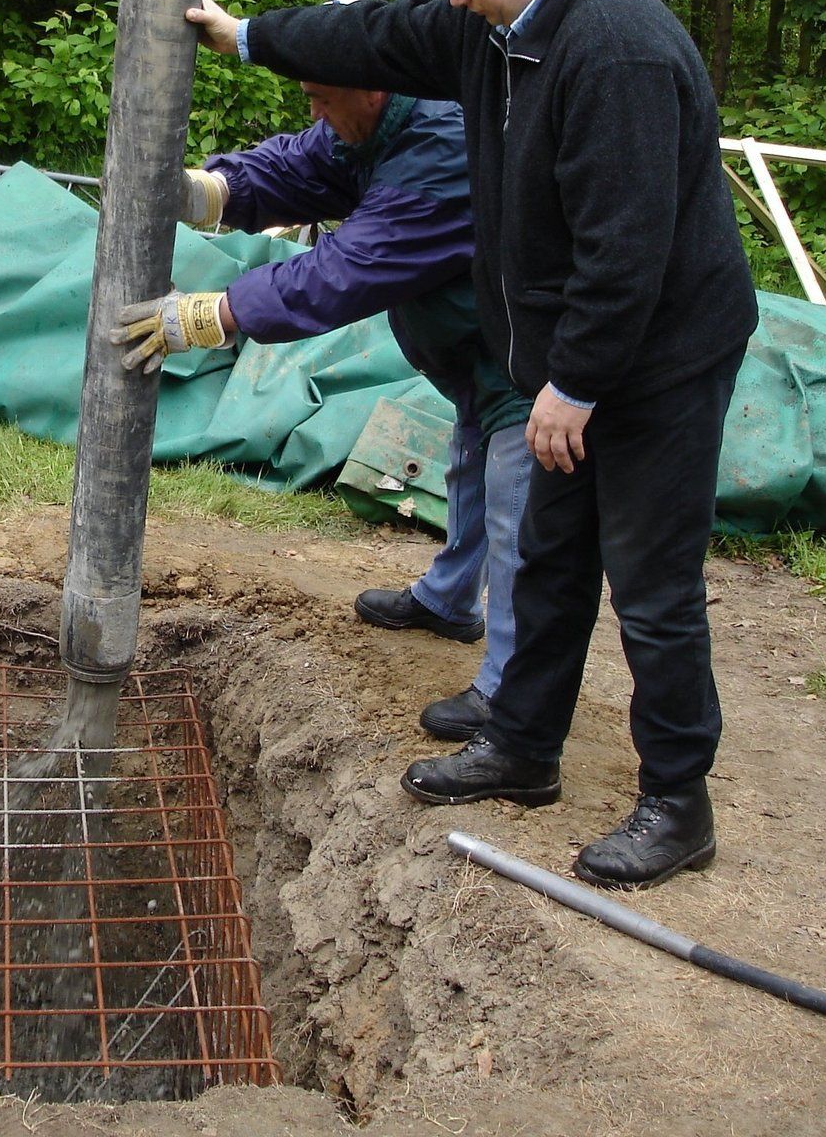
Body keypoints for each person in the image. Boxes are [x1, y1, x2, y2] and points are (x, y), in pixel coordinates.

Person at [187, 0, 759, 889]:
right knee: (548, 555)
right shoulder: (496, 30)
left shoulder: (616, 51)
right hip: (571, 352)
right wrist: (251, 37)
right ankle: (523, 749)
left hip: (659, 360)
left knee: (652, 586)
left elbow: (625, 249)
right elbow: (378, 32)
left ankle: (680, 804)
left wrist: (574, 384)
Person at [107, 77, 532, 740]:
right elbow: (300, 164)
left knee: (517, 516)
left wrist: (211, 314)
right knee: (471, 464)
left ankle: (512, 696)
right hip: (480, 353)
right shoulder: (370, 125)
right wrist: (210, 190)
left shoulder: (443, 144)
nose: (313, 111)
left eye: (323, 96)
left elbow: (343, 271)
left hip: (529, 359)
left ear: (374, 87)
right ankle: (450, 600)